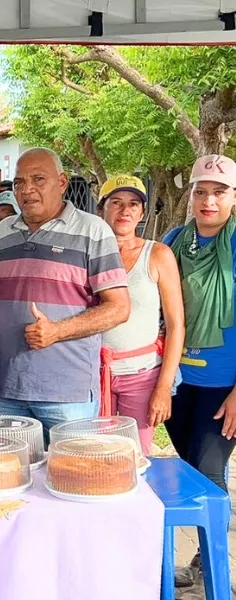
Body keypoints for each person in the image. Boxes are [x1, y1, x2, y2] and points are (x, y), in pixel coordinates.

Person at [0, 148, 130, 438]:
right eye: (19, 182)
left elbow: (119, 308)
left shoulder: (93, 230)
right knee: (2, 466)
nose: (26, 189)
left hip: (68, 396)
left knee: (70, 467)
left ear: (62, 182)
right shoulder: (1, 233)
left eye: (38, 179)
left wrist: (57, 331)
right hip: (6, 391)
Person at [163, 155, 236, 588]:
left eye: (219, 192)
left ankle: (215, 571)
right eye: (201, 191)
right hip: (176, 382)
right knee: (193, 470)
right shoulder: (174, 241)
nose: (209, 200)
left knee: (208, 475)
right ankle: (202, 561)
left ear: (234, 197)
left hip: (222, 387)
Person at [98, 175, 184, 456]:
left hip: (142, 375)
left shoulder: (157, 254)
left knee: (135, 457)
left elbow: (176, 324)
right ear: (101, 209)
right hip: (92, 374)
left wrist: (164, 387)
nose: (125, 211)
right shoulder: (87, 253)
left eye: (133, 204)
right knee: (94, 455)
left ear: (142, 212)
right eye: (116, 203)